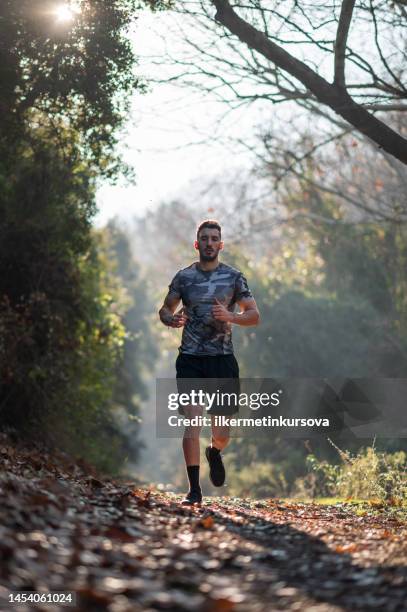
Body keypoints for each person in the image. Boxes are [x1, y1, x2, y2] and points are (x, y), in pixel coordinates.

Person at [158, 219, 260, 505]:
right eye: (204, 238)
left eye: (214, 238)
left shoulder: (234, 277)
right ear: (197, 243)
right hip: (190, 359)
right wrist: (171, 319)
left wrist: (230, 317)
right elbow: (165, 308)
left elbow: (254, 315)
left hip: (222, 360)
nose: (210, 243)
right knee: (193, 421)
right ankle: (194, 490)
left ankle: (215, 452)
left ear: (221, 244)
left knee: (221, 433)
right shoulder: (184, 277)